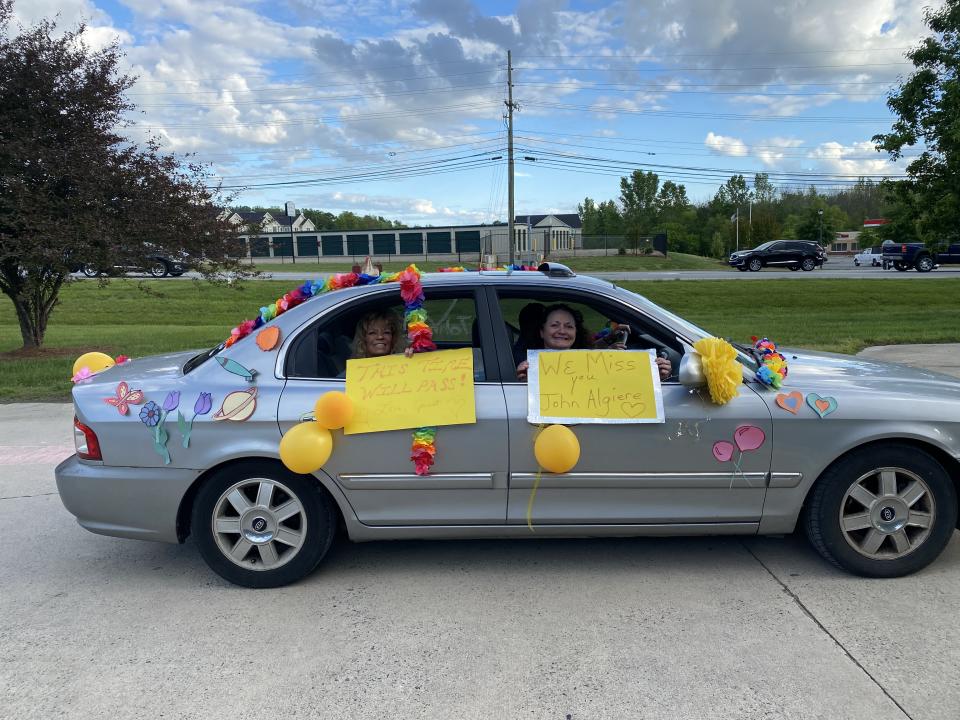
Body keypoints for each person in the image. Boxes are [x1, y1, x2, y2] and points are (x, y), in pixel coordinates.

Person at [515, 303, 671, 381]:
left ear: (576, 333)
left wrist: (656, 376)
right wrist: (522, 383)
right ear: (542, 332)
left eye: (569, 326)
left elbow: (623, 390)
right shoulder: (529, 369)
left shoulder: (597, 364)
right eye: (555, 325)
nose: (562, 331)